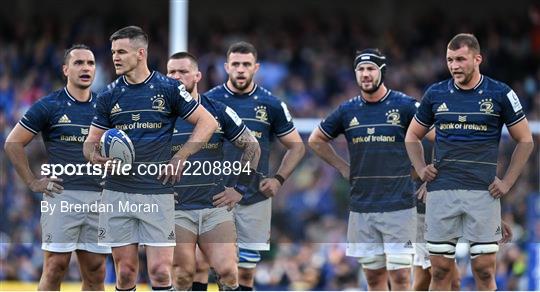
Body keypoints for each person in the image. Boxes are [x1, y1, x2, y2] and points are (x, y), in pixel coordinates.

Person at [83, 26, 218, 291]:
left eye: (121, 51)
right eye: (113, 52)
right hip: (117, 191)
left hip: (157, 191)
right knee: (126, 273)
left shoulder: (168, 88)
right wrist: (97, 158)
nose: (115, 57)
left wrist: (181, 156)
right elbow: (90, 144)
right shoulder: (108, 95)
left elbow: (207, 122)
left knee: (159, 272)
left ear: (140, 53)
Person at [405, 33, 534, 290]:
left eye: (460, 59)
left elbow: (526, 140)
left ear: (478, 59)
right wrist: (420, 168)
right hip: (441, 193)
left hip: (482, 193)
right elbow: (411, 136)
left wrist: (507, 182)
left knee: (484, 271)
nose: (454, 65)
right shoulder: (436, 93)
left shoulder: (500, 93)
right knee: (439, 271)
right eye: (450, 60)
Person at [195, 41, 305, 291]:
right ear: (226, 67)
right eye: (235, 64)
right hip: (215, 198)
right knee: (204, 266)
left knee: (244, 274)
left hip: (254, 198)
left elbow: (297, 147)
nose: (241, 69)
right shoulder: (209, 101)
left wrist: (278, 179)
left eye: (246, 64)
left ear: (256, 68)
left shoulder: (271, 104)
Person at [308, 48, 417, 290]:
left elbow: (434, 133)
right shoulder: (347, 110)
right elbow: (316, 140)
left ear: (382, 72)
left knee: (400, 277)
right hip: (362, 207)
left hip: (398, 206)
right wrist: (342, 167)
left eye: (371, 69)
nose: (365, 74)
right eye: (361, 69)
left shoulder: (405, 105)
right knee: (374, 278)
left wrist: (422, 168)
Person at [4, 44, 110, 290]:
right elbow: (12, 143)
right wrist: (32, 181)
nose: (86, 68)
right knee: (55, 267)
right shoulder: (50, 105)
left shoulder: (106, 108)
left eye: (90, 63)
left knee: (96, 270)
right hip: (62, 196)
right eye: (78, 63)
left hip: (101, 198)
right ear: (65, 69)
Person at [166, 52, 262, 290]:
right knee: (182, 275)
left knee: (229, 272)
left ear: (197, 75)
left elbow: (252, 147)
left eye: (183, 72)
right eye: (171, 72)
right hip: (176, 210)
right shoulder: (160, 116)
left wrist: (239, 189)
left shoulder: (218, 110)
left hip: (214, 209)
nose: (176, 77)